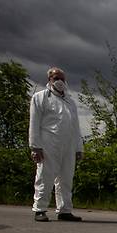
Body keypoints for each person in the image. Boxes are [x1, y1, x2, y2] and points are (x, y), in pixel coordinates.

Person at [29, 67, 84, 222]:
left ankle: (65, 210)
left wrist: (79, 148)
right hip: (48, 144)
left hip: (69, 145)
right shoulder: (40, 98)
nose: (59, 81)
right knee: (45, 176)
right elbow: (34, 123)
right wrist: (35, 146)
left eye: (62, 79)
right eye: (56, 78)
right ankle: (40, 209)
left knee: (66, 178)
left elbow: (76, 126)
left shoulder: (70, 102)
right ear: (49, 80)